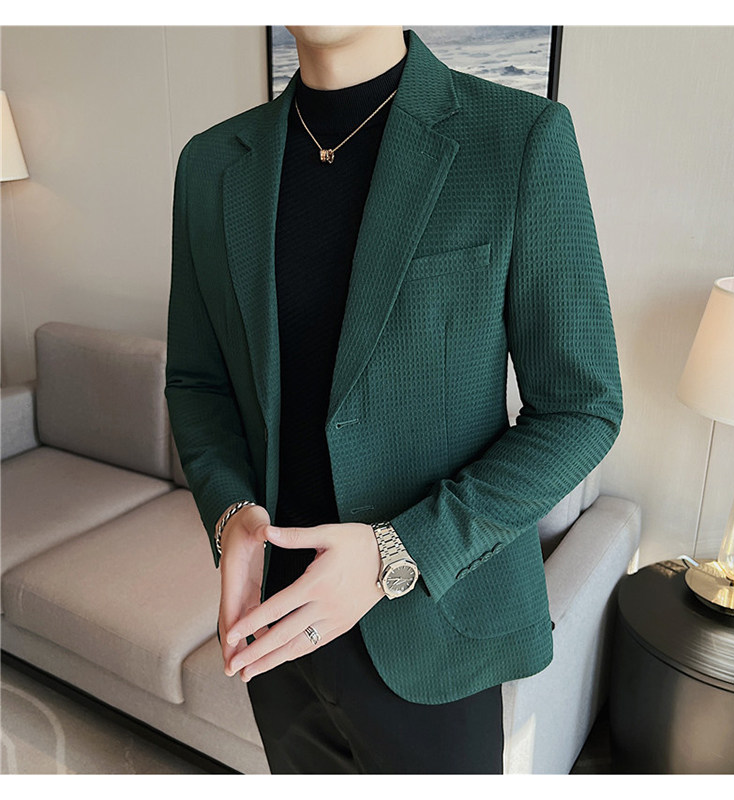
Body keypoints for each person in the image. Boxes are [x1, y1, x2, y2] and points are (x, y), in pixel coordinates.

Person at [164, 25, 622, 774]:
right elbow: (197, 381)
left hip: (433, 629)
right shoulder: (211, 163)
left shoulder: (519, 137)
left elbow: (582, 407)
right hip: (276, 627)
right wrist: (229, 511)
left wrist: (393, 554)